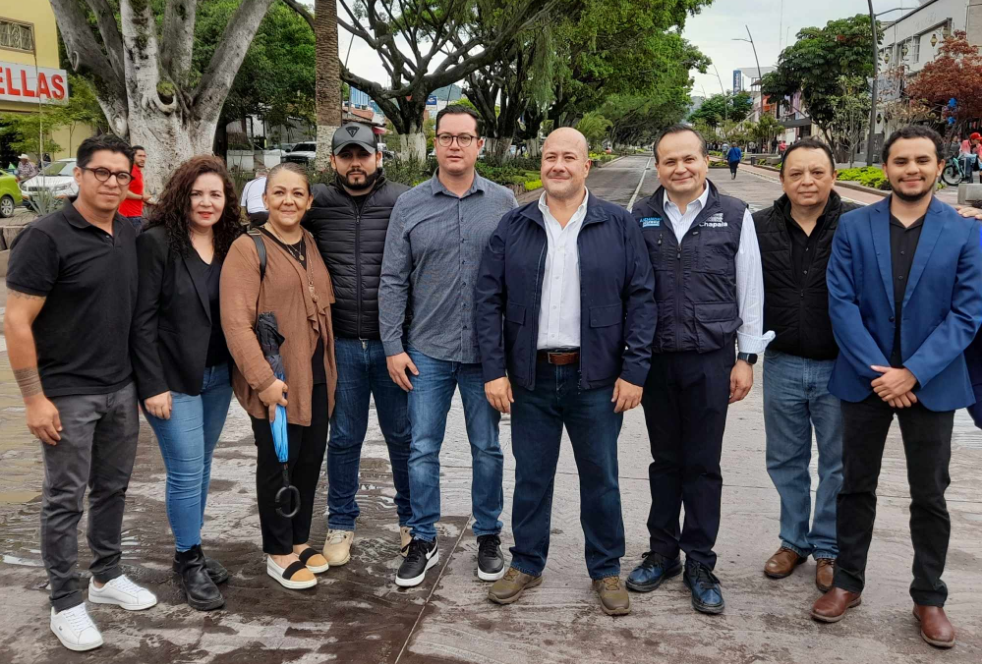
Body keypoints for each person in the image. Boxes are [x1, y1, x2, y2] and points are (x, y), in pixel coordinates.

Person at [811, 127, 982, 650]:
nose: (912, 169)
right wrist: (881, 372)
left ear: (938, 166)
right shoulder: (854, 227)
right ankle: (847, 582)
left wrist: (914, 372)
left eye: (922, 161)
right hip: (865, 382)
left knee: (929, 494)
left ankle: (929, 596)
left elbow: (968, 311)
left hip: (932, 385)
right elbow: (840, 302)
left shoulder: (963, 231)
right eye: (901, 161)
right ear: (886, 168)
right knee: (854, 485)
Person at [475, 128, 656, 616]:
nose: (558, 165)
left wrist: (634, 370)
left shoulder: (618, 225)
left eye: (568, 157)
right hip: (530, 377)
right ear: (541, 166)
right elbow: (488, 301)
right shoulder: (512, 226)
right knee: (532, 477)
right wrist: (495, 371)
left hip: (595, 378)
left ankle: (606, 569)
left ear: (586, 165)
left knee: (602, 477)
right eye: (550, 157)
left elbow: (642, 299)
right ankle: (527, 562)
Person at [5, 135, 156, 652]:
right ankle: (65, 602)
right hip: (66, 393)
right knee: (64, 499)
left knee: (112, 489)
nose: (112, 182)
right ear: (79, 175)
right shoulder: (45, 237)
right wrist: (32, 399)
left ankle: (107, 575)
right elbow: (16, 322)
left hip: (121, 388)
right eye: (102, 173)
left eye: (121, 175)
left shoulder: (130, 233)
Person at [627, 125, 773, 615]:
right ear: (658, 166)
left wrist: (746, 358)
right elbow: (629, 290)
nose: (680, 168)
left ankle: (700, 562)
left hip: (712, 359)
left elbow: (749, 288)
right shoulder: (641, 216)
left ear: (706, 161)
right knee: (665, 460)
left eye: (688, 159)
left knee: (703, 465)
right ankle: (663, 552)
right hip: (656, 360)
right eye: (669, 161)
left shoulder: (733, 215)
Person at [379, 104, 518, 588]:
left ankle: (488, 536)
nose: (454, 145)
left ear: (480, 144)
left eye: (464, 137)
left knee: (487, 448)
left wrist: (513, 354)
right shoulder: (410, 205)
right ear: (434, 143)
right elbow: (393, 279)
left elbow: (518, 281)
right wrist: (393, 345)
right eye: (446, 137)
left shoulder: (504, 203)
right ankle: (422, 537)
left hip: (487, 356)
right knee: (421, 448)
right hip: (427, 352)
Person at [131, 156, 243, 611]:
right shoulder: (157, 243)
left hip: (217, 375)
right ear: (182, 195)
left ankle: (190, 550)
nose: (206, 202)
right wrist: (150, 385)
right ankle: (188, 558)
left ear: (226, 200)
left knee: (202, 464)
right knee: (185, 469)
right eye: (197, 193)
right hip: (172, 378)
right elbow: (141, 322)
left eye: (215, 194)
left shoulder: (232, 241)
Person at [753, 138, 862, 594]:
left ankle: (829, 549)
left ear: (833, 176)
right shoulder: (758, 225)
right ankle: (792, 541)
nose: (807, 181)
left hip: (840, 366)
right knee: (785, 459)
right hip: (781, 362)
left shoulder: (859, 222)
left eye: (817, 172)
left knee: (836, 464)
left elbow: (912, 219)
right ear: (782, 179)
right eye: (796, 173)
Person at [221, 163, 337, 591]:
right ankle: (277, 549)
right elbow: (235, 322)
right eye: (279, 193)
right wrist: (263, 381)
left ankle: (299, 537)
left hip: (317, 372)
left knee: (308, 460)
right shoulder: (248, 248)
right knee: (278, 463)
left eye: (297, 194)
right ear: (264, 199)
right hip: (277, 376)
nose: (288, 201)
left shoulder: (309, 241)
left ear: (308, 201)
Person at [302, 123, 412, 566]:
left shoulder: (404, 200)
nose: (354, 163)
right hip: (342, 344)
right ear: (332, 162)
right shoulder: (316, 203)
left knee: (403, 438)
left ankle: (412, 522)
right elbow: (272, 224)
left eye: (362, 155)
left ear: (377, 157)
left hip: (394, 346)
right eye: (345, 156)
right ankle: (341, 523)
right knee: (344, 438)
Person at [119, 146, 151, 234]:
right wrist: (141, 197)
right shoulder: (131, 171)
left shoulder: (138, 172)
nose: (143, 159)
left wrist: (146, 200)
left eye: (144, 156)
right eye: (139, 156)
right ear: (132, 156)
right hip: (130, 216)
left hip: (136, 215)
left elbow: (136, 190)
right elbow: (123, 191)